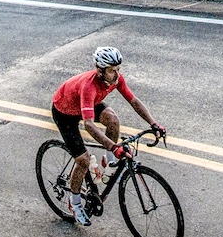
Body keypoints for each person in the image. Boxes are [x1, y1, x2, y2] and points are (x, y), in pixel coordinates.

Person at [50, 45, 165, 226]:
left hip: (86, 104)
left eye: (118, 69)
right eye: (112, 71)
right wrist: (113, 146)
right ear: (100, 70)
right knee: (83, 161)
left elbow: (133, 101)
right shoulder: (89, 86)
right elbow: (89, 125)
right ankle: (75, 202)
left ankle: (109, 162)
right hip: (65, 112)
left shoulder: (115, 79)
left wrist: (153, 123)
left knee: (113, 120)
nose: (117, 74)